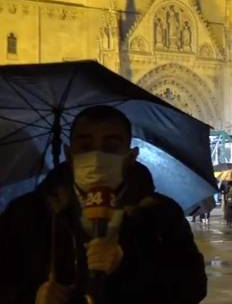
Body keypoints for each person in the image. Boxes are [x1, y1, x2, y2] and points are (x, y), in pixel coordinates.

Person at [0, 105, 207, 304]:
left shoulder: (161, 214)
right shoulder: (27, 213)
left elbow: (193, 288)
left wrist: (127, 267)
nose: (97, 157)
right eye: (86, 147)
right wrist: (31, 297)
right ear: (69, 154)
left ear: (131, 157)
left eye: (110, 147)